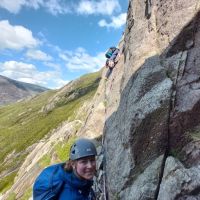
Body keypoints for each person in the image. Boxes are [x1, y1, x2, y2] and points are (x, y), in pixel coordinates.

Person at [33, 138, 97, 200]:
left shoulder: (71, 174)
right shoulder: (72, 196)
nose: (90, 166)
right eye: (84, 162)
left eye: (92, 160)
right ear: (73, 164)